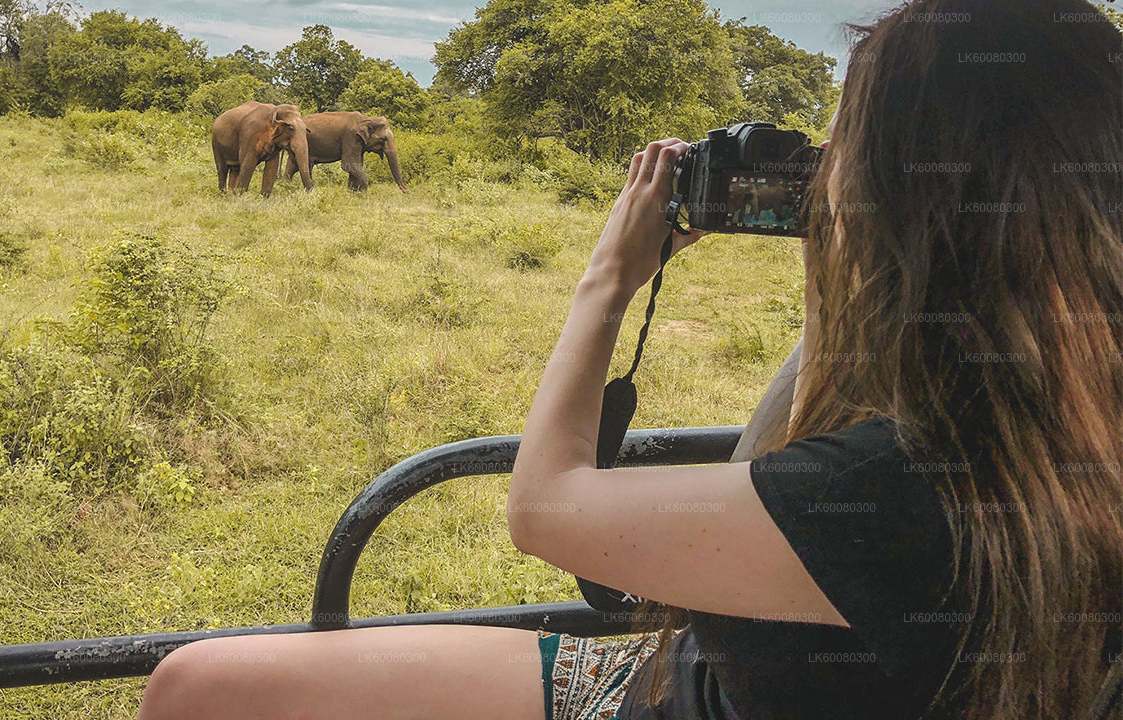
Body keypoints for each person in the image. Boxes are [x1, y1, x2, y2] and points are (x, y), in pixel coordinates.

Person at [133, 0, 1122, 718]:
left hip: (660, 691)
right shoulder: (1040, 427)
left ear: (900, 203)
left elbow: (544, 507)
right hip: (709, 672)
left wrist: (605, 280)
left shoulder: (891, 493)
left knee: (193, 685)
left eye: (843, 154)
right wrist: (866, 277)